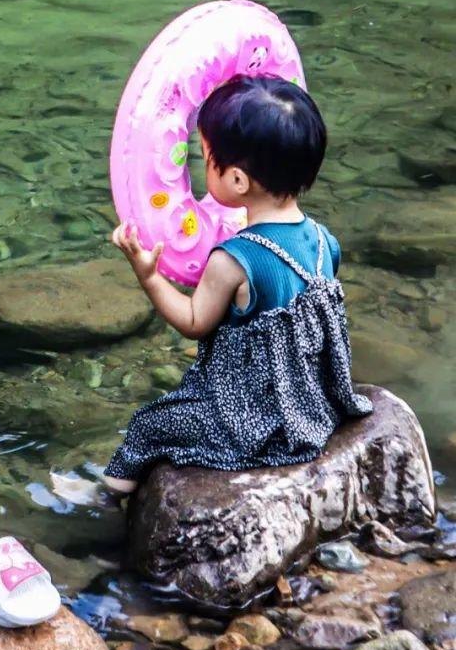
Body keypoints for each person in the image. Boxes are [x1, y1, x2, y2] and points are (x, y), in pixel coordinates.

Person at [103, 73, 371, 493]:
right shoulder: (325, 242)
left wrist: (148, 275)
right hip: (313, 406)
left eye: (207, 159)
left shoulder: (233, 260)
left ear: (238, 181)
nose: (203, 164)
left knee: (149, 425)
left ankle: (109, 500)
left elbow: (194, 321)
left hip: (252, 419)